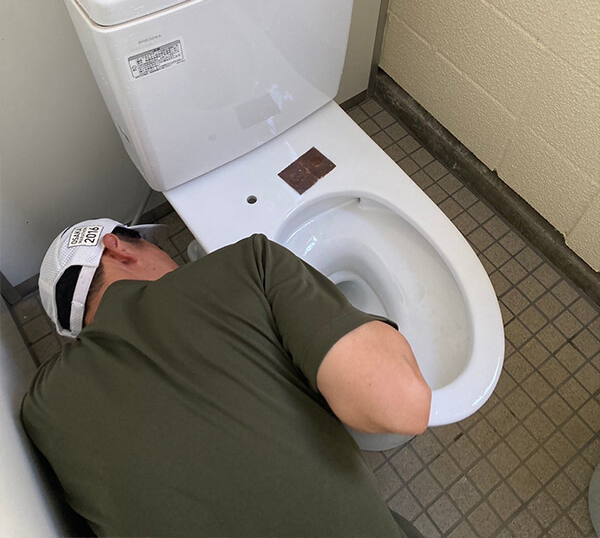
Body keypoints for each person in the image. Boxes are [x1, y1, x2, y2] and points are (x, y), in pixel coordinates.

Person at [21, 218, 431, 538]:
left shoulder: (42, 410)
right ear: (118, 247)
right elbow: (403, 406)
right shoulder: (248, 263)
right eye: (152, 242)